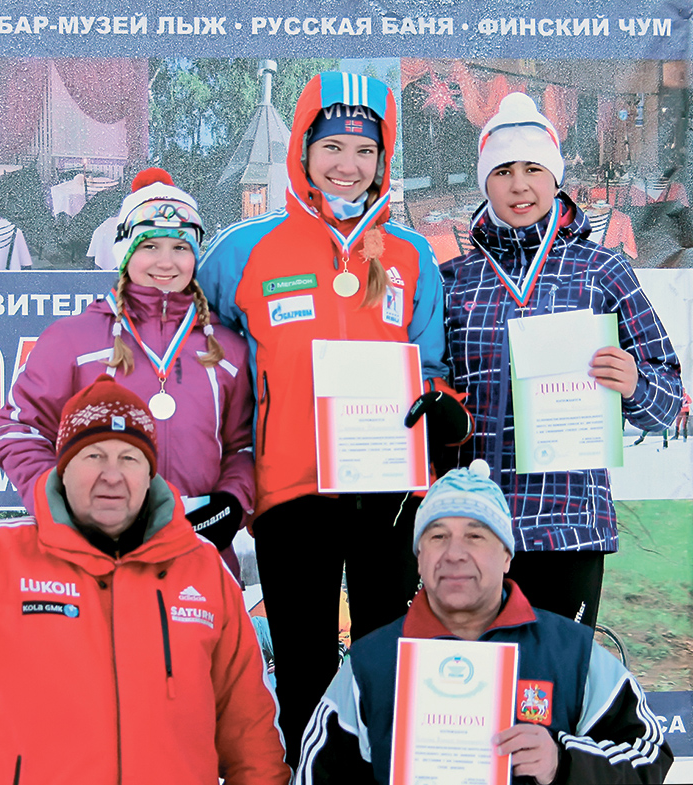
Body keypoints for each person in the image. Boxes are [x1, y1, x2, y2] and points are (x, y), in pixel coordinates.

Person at [197, 71, 471, 765]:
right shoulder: (241, 254)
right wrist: (226, 473)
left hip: (387, 498)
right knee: (305, 676)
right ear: (302, 149)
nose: (348, 165)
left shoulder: (412, 258)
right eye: (333, 147)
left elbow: (433, 372)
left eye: (364, 151)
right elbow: (206, 373)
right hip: (290, 497)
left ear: (383, 160)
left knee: (386, 668)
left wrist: (445, 417)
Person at [0, 368, 290, 785]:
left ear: (150, 471)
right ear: (63, 469)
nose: (112, 475)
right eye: (93, 455)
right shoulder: (1, 556)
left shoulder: (203, 569)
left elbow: (249, 731)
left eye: (129, 457)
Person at [439, 92, 683, 629]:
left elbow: (667, 402)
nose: (519, 185)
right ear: (484, 181)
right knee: (480, 698)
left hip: (570, 526)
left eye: (533, 168)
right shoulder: (452, 281)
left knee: (552, 699)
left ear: (555, 177)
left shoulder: (603, 271)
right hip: (476, 528)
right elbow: (434, 399)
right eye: (503, 170)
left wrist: (635, 384)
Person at [297, 460, 673, 785]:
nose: (455, 553)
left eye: (475, 536)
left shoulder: (571, 655)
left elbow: (650, 758)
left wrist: (562, 761)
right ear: (419, 555)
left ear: (507, 555)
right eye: (438, 536)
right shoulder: (371, 666)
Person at [0, 168, 254, 564]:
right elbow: (21, 430)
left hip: (199, 552)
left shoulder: (227, 349)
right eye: (150, 246)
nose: (166, 262)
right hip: (96, 551)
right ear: (124, 252)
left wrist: (231, 503)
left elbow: (245, 446)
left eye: (180, 247)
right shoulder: (73, 340)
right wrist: (61, 506)